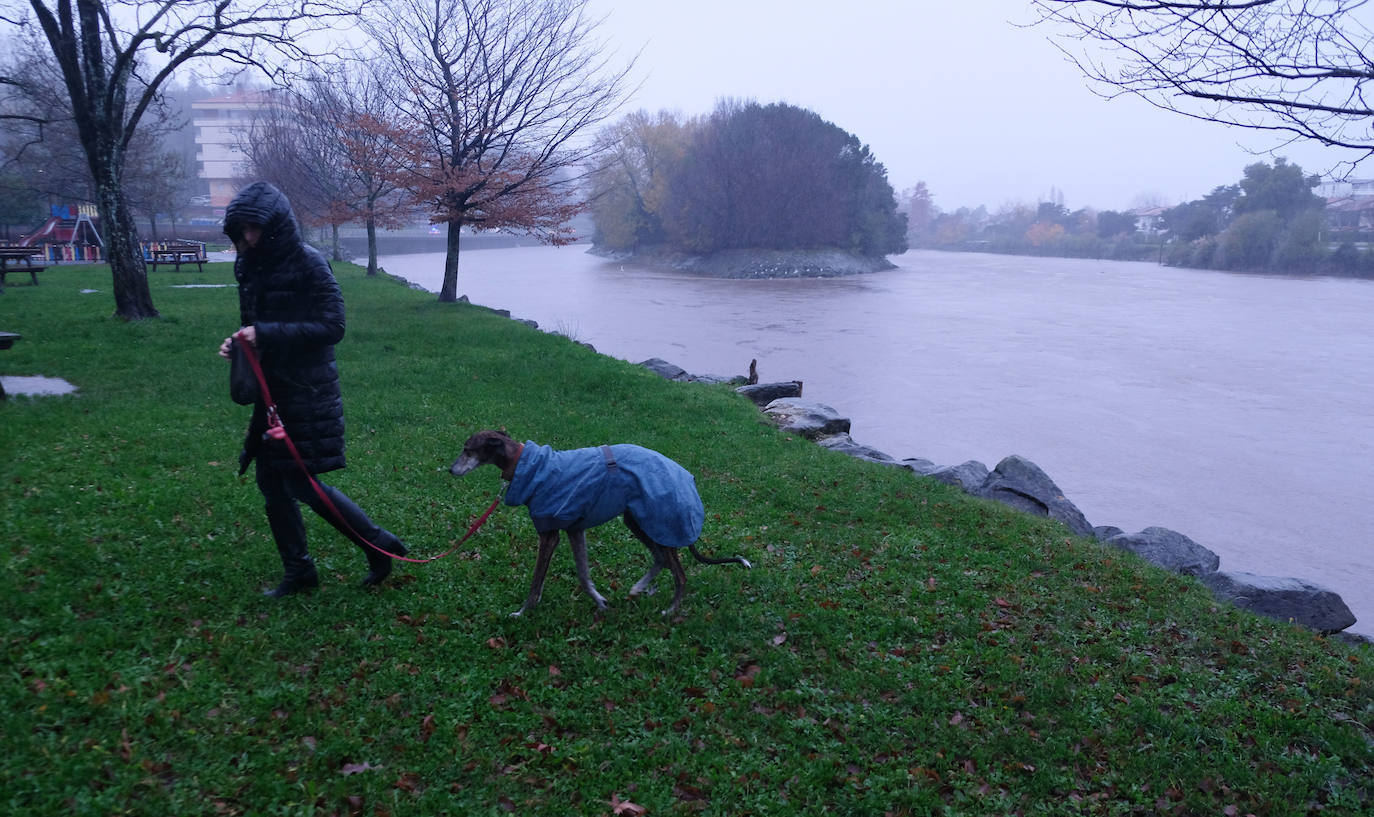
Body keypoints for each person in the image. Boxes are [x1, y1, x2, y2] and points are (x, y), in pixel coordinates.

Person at [217, 181, 407, 597]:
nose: (248, 237)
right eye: (242, 229)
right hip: (270, 390)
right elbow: (254, 325)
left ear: (276, 225)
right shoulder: (246, 264)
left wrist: (264, 333)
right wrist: (240, 343)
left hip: (306, 388)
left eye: (255, 228)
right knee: (271, 482)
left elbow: (333, 326)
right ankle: (300, 571)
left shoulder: (309, 263)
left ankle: (379, 545)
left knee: (301, 481)